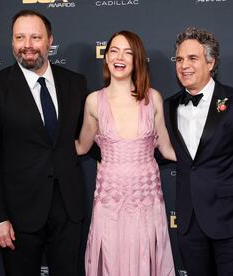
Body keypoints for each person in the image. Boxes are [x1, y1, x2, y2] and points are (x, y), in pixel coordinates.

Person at [0, 9, 88, 276]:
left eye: (35, 37)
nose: (27, 45)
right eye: (20, 37)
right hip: (17, 215)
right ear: (12, 41)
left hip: (68, 211)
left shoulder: (75, 83)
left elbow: (89, 137)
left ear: (50, 40)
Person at [164, 26, 233, 276]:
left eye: (193, 58)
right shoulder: (168, 106)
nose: (184, 66)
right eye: (179, 59)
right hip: (190, 225)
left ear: (211, 62)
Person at [75, 30, 176, 276]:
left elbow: (166, 148)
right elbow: (81, 147)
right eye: (114, 51)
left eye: (128, 52)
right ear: (107, 57)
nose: (120, 57)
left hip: (146, 200)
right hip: (110, 202)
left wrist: (210, 155)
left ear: (137, 59)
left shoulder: (153, 98)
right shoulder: (93, 102)